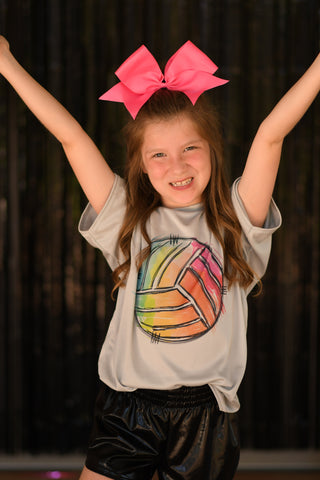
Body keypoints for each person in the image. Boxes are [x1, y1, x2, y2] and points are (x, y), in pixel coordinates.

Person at [0, 35, 319, 480]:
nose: (178, 166)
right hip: (128, 406)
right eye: (159, 155)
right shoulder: (125, 220)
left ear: (212, 151)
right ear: (143, 167)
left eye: (191, 148)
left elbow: (270, 135)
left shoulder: (237, 222)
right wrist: (6, 63)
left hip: (205, 416)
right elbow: (71, 138)